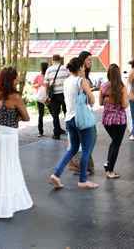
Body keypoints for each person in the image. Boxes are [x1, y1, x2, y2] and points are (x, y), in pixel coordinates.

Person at [0, 67, 33, 219]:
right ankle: (7, 206)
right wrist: (16, 116)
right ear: (11, 79)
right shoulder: (15, 97)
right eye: (16, 77)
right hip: (9, 136)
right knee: (9, 168)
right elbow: (26, 117)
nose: (18, 79)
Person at [48, 57, 98, 189]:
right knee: (87, 149)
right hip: (81, 119)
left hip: (69, 119)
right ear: (81, 67)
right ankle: (83, 180)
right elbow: (92, 100)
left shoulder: (67, 81)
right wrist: (88, 91)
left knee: (73, 149)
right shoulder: (81, 81)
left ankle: (56, 174)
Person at [100, 64, 130, 178]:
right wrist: (127, 98)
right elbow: (124, 104)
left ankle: (108, 164)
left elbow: (100, 103)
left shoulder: (104, 86)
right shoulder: (122, 87)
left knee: (114, 142)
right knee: (116, 144)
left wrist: (108, 99)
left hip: (107, 120)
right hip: (119, 120)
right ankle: (110, 171)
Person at [44, 54, 69, 140]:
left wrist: (47, 95)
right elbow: (69, 80)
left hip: (54, 95)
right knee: (67, 113)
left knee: (55, 115)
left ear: (52, 60)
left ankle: (56, 134)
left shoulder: (49, 70)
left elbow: (46, 84)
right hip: (64, 94)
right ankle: (70, 131)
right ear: (60, 60)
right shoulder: (65, 68)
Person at [32, 62, 49, 138]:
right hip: (41, 97)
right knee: (41, 114)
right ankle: (40, 131)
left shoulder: (49, 76)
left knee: (51, 114)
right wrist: (39, 85)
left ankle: (41, 132)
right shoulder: (38, 76)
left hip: (47, 97)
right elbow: (33, 85)